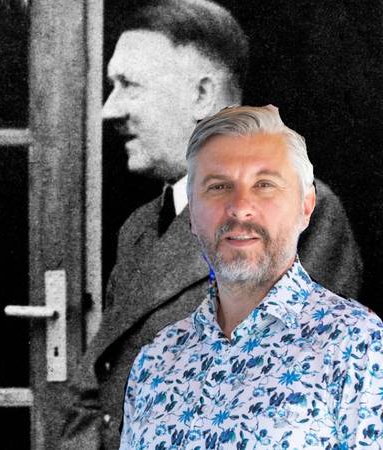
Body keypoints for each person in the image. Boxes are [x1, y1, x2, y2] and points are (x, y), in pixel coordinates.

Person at [60, 1, 362, 448]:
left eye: (130, 86)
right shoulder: (140, 228)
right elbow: (95, 390)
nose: (109, 110)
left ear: (202, 95)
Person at [120, 104, 383, 447]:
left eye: (264, 185)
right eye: (218, 188)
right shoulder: (154, 361)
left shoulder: (359, 345)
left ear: (305, 207)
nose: (240, 209)